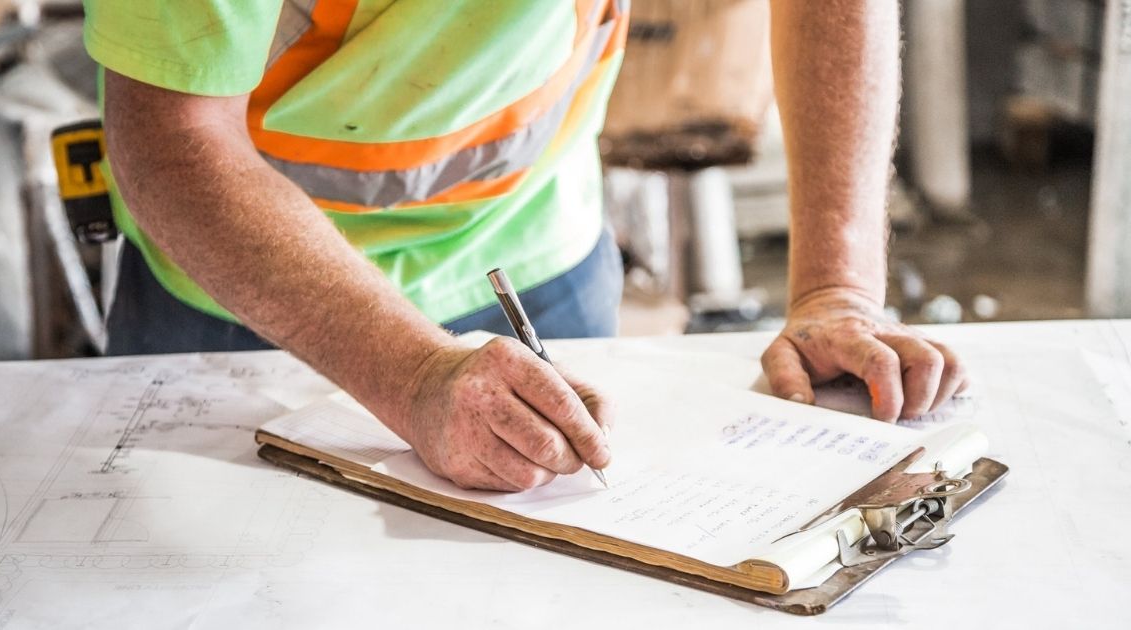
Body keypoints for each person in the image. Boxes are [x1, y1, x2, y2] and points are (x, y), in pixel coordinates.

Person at [86, 0, 966, 492]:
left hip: (539, 258)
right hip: (251, 301)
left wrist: (836, 291)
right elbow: (172, 136)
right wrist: (412, 373)